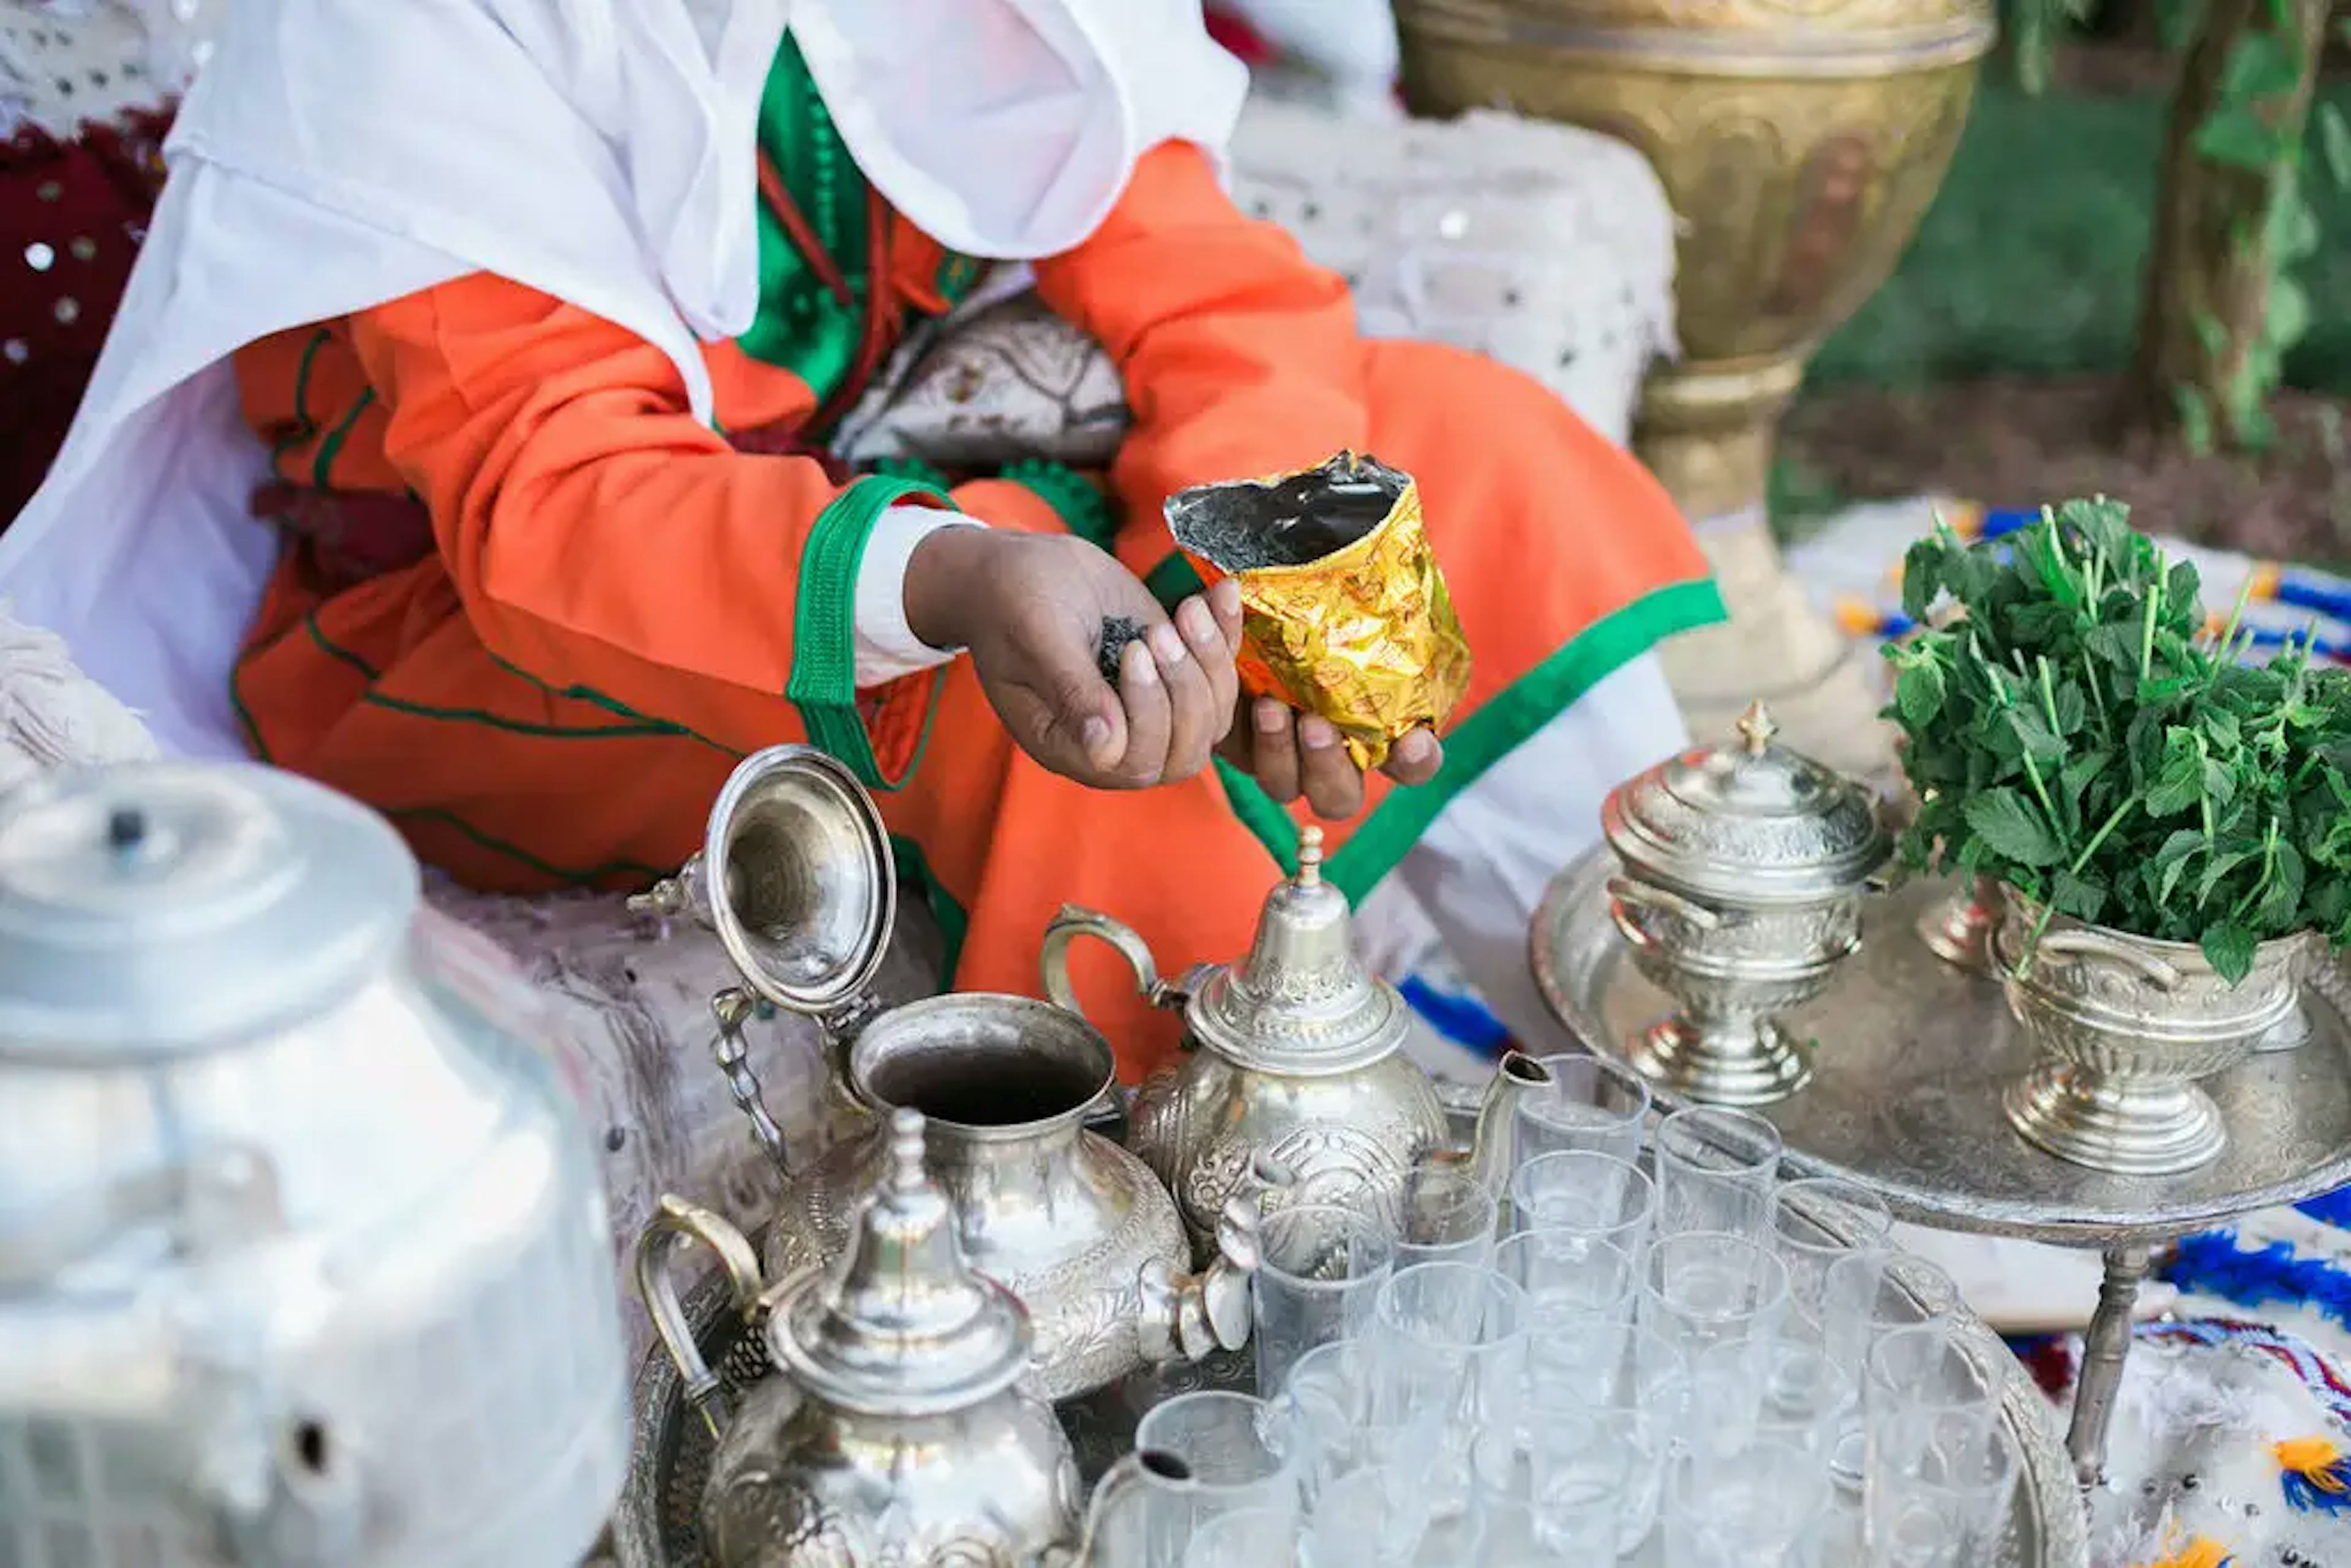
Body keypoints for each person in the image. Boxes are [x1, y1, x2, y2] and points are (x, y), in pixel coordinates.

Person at [0, 0, 1719, 1074]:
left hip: (896, 460)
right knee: (1061, 702)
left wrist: (1287, 605)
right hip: (502, 631)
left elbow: (1205, 285)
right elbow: (557, 509)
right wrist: (959, 576)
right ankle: (1210, 1224)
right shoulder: (395, 29)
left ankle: (1689, 1048)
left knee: (1445, 446)